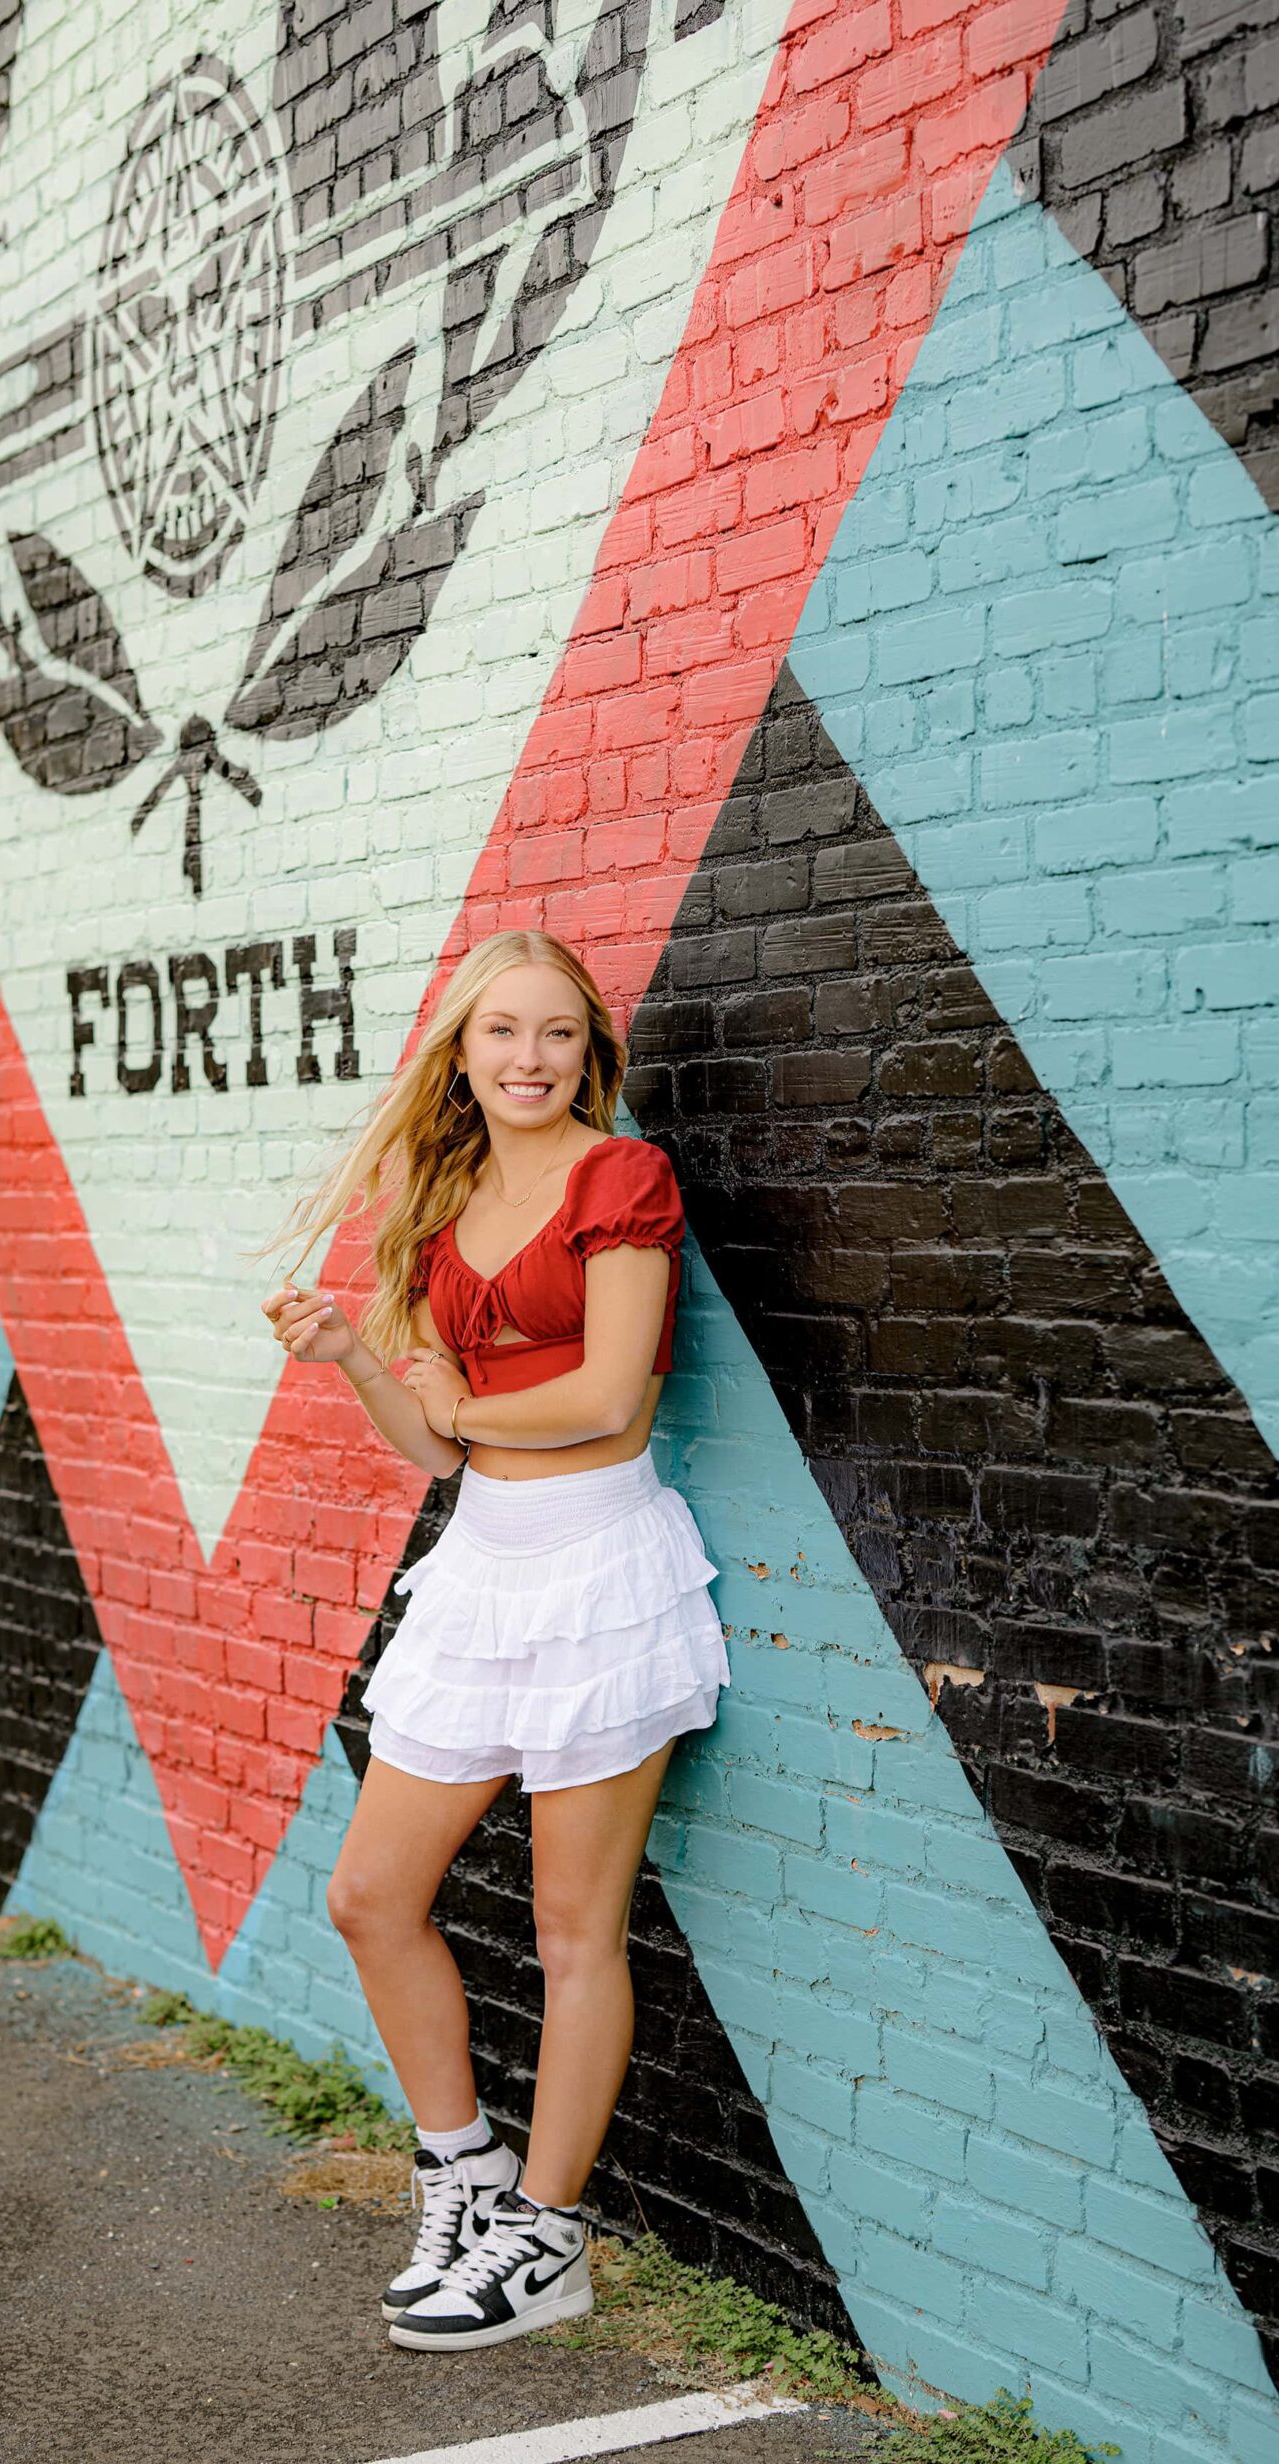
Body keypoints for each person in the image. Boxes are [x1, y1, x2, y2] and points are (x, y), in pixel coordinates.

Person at [260, 928, 728, 2353]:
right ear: (459, 1052)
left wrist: (459, 1407)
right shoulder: (439, 1193)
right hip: (480, 1574)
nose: (529, 1060)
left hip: (598, 1570)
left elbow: (604, 1405)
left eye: (557, 1037)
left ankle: (549, 2233)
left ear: (590, 1053)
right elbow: (436, 1448)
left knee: (574, 1929)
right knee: (368, 1894)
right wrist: (353, 1359)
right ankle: (459, 2171)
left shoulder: (621, 1179)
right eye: (501, 1034)